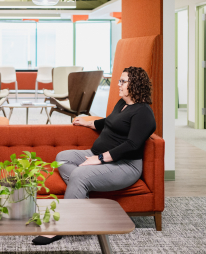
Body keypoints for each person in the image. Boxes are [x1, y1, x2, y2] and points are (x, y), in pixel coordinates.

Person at [32, 66, 156, 245]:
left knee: (79, 175)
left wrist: (99, 159)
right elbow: (110, 122)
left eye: (123, 81)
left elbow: (132, 144)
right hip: (97, 155)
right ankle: (82, 201)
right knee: (62, 157)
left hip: (124, 165)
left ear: (135, 84)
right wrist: (89, 123)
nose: (118, 85)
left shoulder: (143, 113)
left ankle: (61, 226)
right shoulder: (122, 104)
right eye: (119, 81)